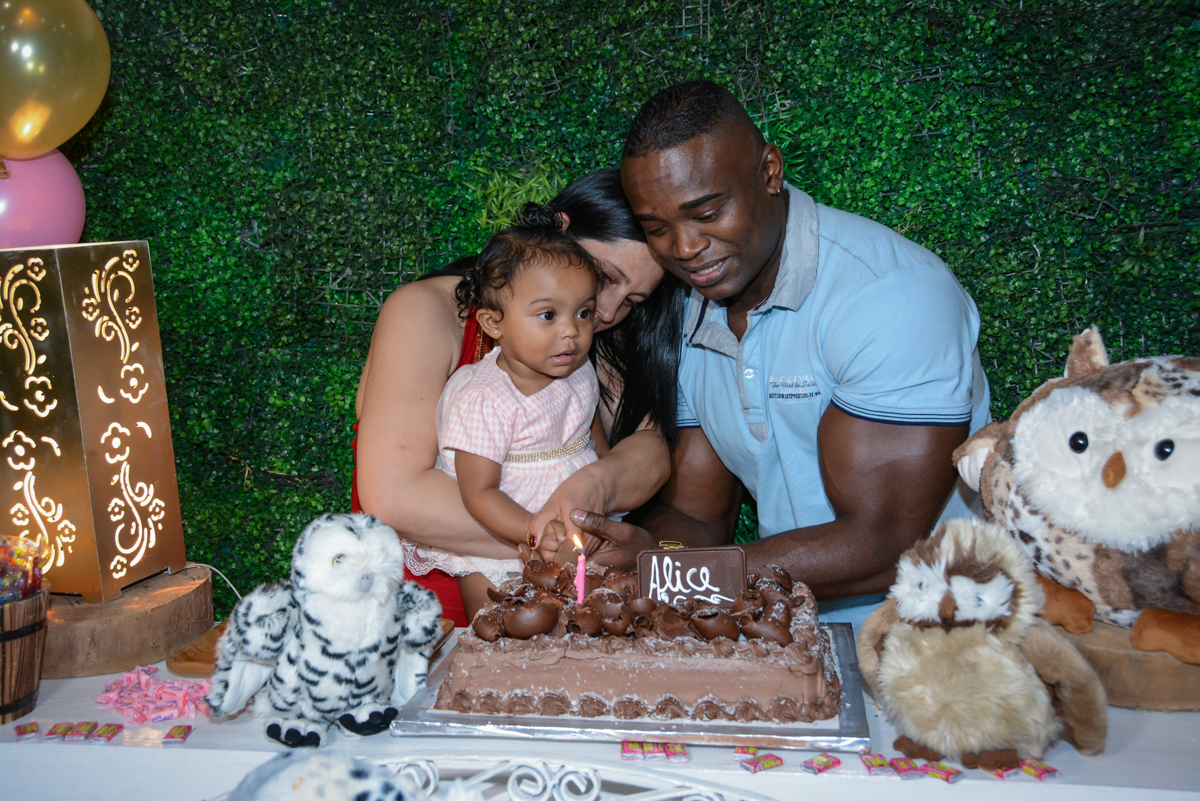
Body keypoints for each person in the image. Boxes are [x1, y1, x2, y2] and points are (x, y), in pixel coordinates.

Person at [559, 81, 991, 617]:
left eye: (707, 212)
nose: (685, 248)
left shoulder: (891, 296)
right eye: (657, 228)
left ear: (769, 172)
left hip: (939, 639)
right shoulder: (693, 306)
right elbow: (697, 518)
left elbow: (884, 546)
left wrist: (673, 577)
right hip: (783, 627)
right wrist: (644, 555)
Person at [353, 169, 678, 624]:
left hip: (554, 591)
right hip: (422, 616)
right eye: (605, 277)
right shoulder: (425, 312)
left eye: (633, 301)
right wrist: (563, 543)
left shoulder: (581, 339)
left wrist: (597, 488)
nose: (607, 312)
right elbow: (394, 496)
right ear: (559, 230)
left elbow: (649, 449)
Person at [428, 220, 608, 601]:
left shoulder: (581, 370)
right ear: (494, 323)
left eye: (584, 313)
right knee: (499, 633)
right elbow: (479, 493)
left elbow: (594, 444)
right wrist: (533, 530)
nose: (571, 332)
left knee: (583, 626)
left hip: (576, 533)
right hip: (503, 542)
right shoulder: (484, 397)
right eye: (548, 315)